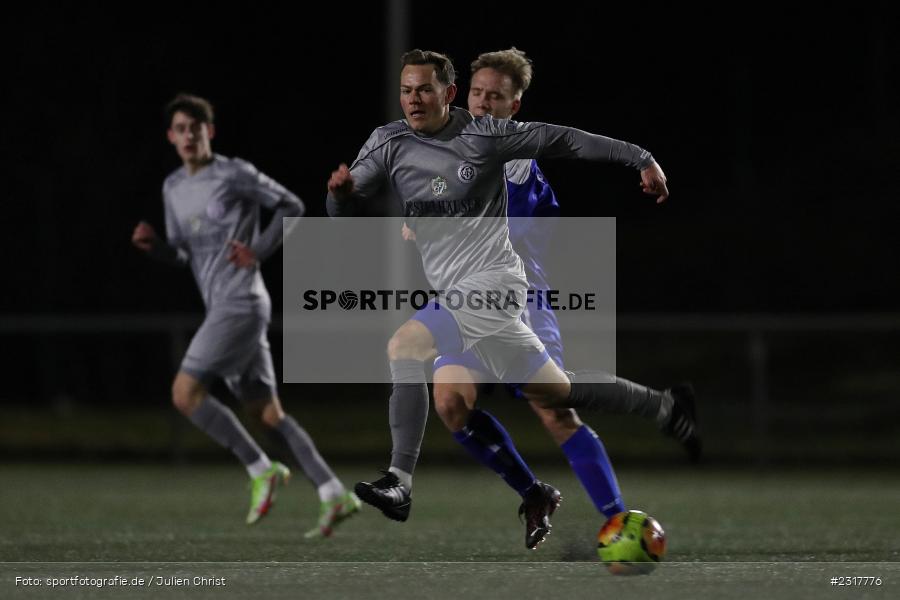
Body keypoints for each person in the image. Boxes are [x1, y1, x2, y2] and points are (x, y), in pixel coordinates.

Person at [326, 50, 699, 549]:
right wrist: (353, 198)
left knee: (525, 398)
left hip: (510, 290)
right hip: (460, 292)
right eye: (478, 93)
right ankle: (623, 431)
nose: (483, 104)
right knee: (463, 400)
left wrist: (639, 156)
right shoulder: (425, 144)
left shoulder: (511, 155)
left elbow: (530, 206)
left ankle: (614, 520)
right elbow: (369, 201)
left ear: (514, 104)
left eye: (494, 96)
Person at [133, 93, 360, 538]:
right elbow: (183, 255)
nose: (189, 136)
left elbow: (292, 206)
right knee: (266, 413)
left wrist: (256, 250)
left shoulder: (234, 173)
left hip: (242, 302)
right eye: (180, 129)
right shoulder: (172, 188)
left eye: (196, 128)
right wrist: (157, 248)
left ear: (209, 132)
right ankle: (334, 492)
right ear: (171, 137)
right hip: (223, 307)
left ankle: (261, 468)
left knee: (185, 393)